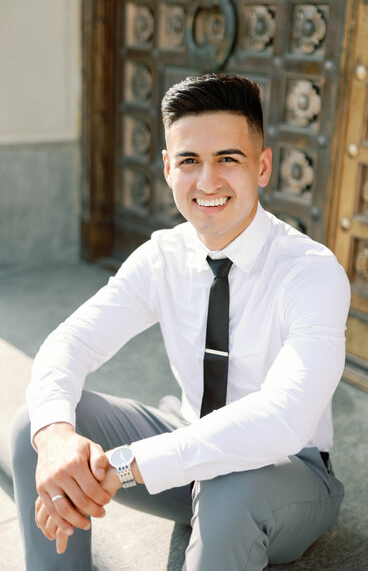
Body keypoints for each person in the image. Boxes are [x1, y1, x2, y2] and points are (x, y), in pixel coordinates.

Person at [11, 73, 350, 571]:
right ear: (169, 168)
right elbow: (72, 341)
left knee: (232, 490)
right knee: (35, 427)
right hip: (187, 444)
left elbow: (283, 420)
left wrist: (126, 466)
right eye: (190, 160)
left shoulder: (311, 272)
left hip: (284, 473)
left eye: (228, 159)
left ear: (262, 166)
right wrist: (57, 437)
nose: (207, 181)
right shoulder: (163, 255)